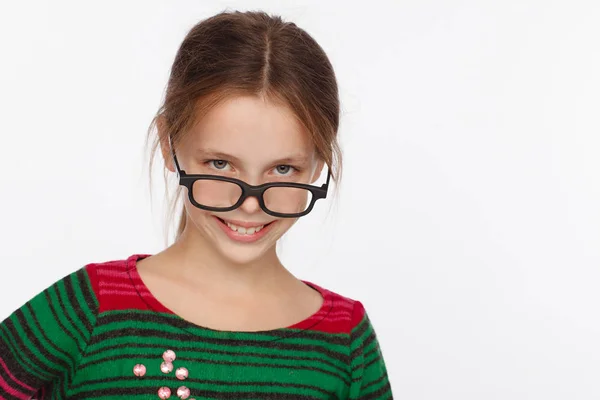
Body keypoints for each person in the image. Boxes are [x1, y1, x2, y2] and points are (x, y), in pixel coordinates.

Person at [0, 10, 393, 400]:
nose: (250, 205)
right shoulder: (90, 308)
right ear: (170, 143)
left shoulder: (346, 342)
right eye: (220, 164)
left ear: (317, 165)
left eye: (284, 169)